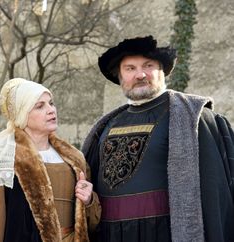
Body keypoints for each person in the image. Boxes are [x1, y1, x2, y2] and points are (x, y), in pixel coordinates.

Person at [82, 35, 234, 242]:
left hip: (164, 233)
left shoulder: (196, 118)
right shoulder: (106, 125)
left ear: (163, 71)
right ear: (119, 76)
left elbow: (216, 194)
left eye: (148, 65)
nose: (140, 74)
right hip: (110, 235)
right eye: (130, 68)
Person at [0, 78, 101, 242]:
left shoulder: (74, 159)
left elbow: (92, 225)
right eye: (40, 106)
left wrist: (89, 200)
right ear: (22, 114)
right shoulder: (1, 158)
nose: (51, 110)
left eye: (51, 103)